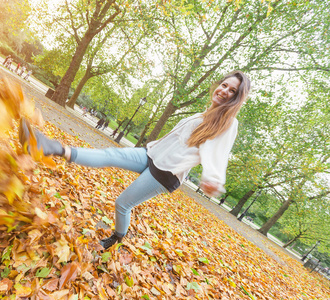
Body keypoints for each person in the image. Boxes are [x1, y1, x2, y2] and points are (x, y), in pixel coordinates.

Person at [19, 71, 250, 249]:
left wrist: (213, 178)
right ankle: (50, 147)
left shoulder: (228, 123)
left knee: (122, 204)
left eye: (232, 90)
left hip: (165, 174)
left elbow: (217, 154)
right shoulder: (203, 114)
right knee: (110, 154)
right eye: (224, 85)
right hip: (151, 155)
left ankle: (117, 236)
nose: (224, 90)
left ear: (237, 98)